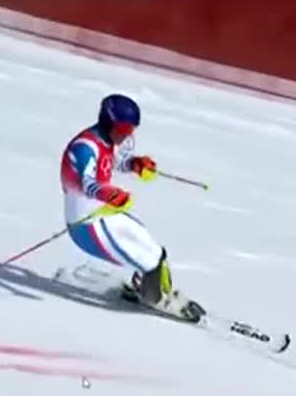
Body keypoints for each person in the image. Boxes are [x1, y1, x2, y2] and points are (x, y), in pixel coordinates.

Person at [59, 93, 201, 320]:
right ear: (109, 122)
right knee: (148, 262)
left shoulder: (109, 141)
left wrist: (135, 164)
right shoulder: (85, 147)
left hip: (105, 215)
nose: (128, 135)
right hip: (86, 225)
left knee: (156, 253)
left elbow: (114, 163)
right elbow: (88, 184)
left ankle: (153, 290)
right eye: (125, 128)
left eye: (132, 129)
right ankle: (156, 299)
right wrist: (109, 193)